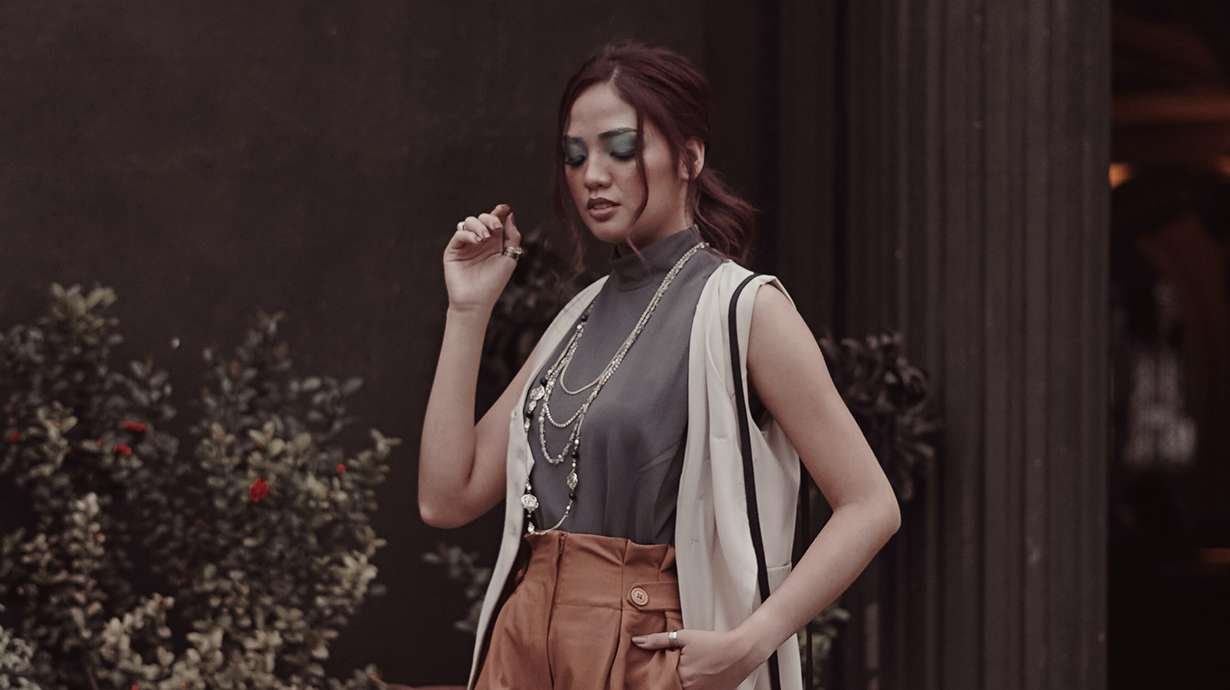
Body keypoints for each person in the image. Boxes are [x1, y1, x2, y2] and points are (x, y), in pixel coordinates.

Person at [418, 39, 900, 690]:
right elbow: (446, 497)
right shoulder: (579, 317)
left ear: (689, 157)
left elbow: (869, 504)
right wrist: (467, 310)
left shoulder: (744, 307)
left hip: (643, 650)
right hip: (522, 646)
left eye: (620, 148)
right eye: (575, 154)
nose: (592, 175)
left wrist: (749, 641)